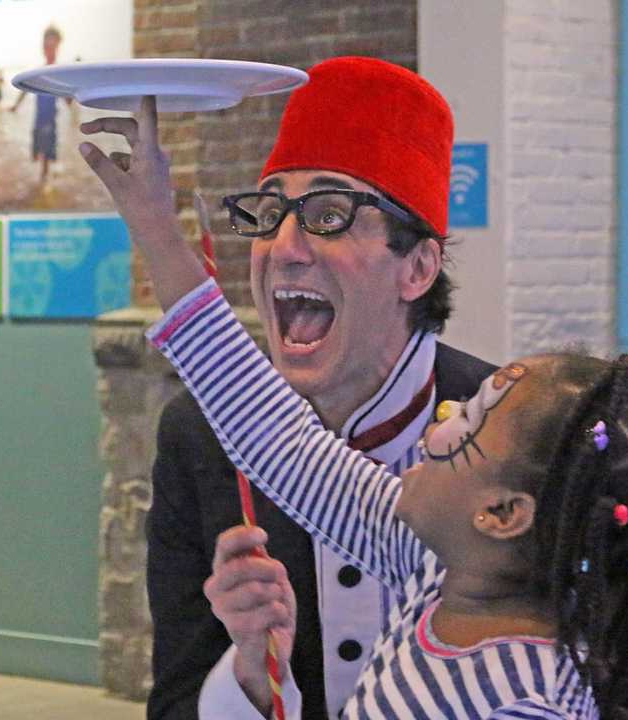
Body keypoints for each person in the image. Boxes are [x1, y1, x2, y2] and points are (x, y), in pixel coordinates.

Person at [79, 87, 628, 719]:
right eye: (270, 211)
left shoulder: (530, 692)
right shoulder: (434, 560)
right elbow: (273, 437)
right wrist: (154, 222)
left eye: (329, 214)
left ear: (504, 511)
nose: (437, 430)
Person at [82, 57, 496, 720]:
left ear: (417, 266)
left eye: (329, 214)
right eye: (268, 211)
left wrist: (157, 231)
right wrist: (248, 673)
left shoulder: (511, 433)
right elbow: (177, 703)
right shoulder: (199, 436)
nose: (283, 244)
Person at [11, 25, 64, 184]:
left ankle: (44, 180)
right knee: (36, 151)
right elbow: (25, 88)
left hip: (50, 118)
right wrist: (16, 105)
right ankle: (43, 181)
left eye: (52, 46)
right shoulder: (39, 71)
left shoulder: (59, 72)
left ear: (58, 46)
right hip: (39, 118)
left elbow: (69, 97)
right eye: (46, 46)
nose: (48, 49)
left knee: (47, 153)